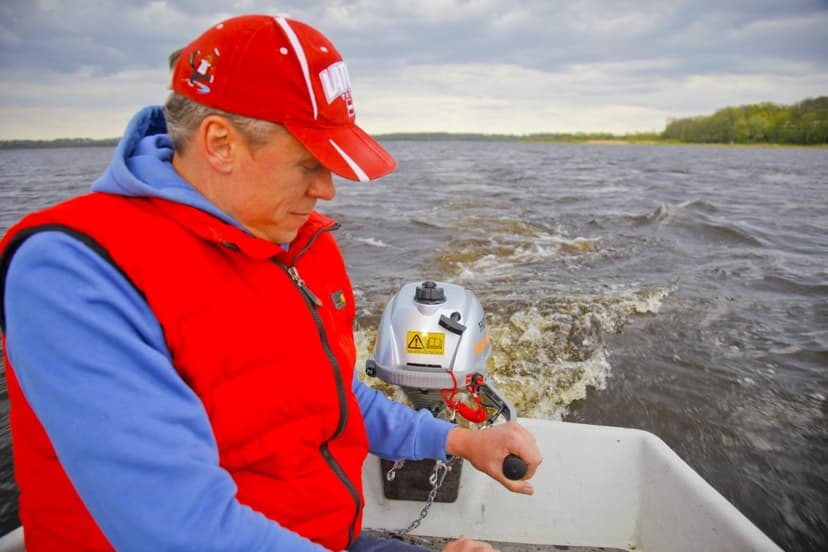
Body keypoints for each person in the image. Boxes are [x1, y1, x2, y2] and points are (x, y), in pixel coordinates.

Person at [0, 14, 541, 552]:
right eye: (310, 163)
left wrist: (460, 439)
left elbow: (329, 394)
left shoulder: (298, 238)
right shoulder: (74, 268)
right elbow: (176, 527)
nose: (327, 190)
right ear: (220, 144)